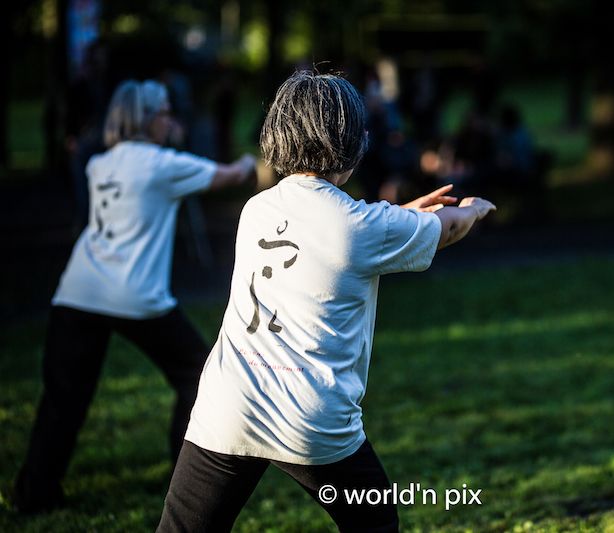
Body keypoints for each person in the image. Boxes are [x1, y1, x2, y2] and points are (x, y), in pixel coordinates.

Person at [156, 71, 496, 532]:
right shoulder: (360, 226)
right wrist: (474, 207)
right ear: (350, 141)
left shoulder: (257, 209)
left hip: (229, 404)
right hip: (311, 419)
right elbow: (445, 229)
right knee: (375, 526)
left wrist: (403, 216)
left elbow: (338, 231)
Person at [12, 79, 257, 514]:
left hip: (78, 291)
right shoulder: (161, 164)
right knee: (198, 378)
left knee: (62, 398)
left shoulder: (101, 164)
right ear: (146, 118)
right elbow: (233, 176)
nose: (171, 118)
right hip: (135, 296)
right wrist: (251, 157)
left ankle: (33, 494)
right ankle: (182, 478)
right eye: (164, 111)